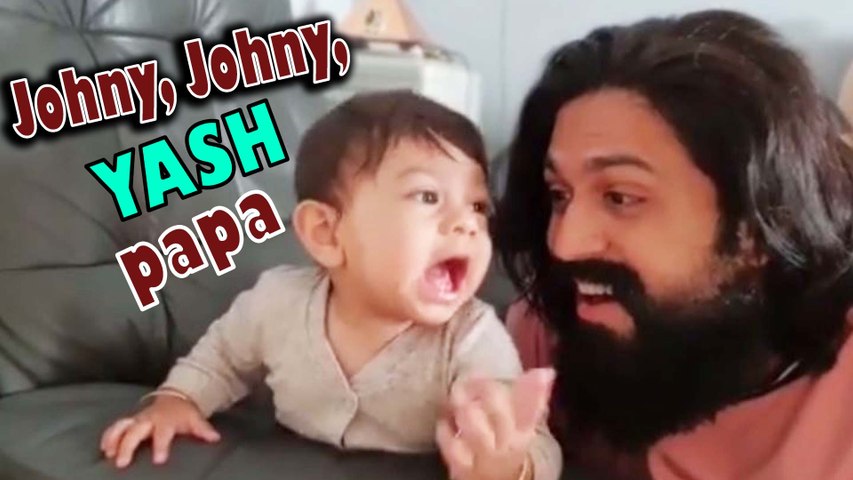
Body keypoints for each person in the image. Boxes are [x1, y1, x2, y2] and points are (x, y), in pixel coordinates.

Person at [99, 90, 563, 480]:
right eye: (428, 196)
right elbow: (221, 358)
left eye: (478, 206)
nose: (466, 223)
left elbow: (529, 435)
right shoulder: (276, 302)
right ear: (326, 233)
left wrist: (510, 465)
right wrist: (177, 398)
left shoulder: (472, 337)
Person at [494, 10, 853, 480]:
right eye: (560, 195)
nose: (565, 244)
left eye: (620, 197)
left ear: (759, 230)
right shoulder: (546, 332)